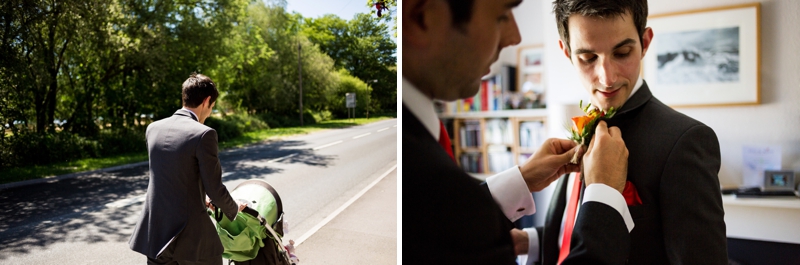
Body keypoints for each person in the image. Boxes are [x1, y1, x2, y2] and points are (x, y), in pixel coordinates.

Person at [403, 0, 634, 263]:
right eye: (502, 15)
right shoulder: (420, 175)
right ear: (423, 18)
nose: (515, 37)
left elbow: (443, 219)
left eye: (623, 52)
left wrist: (521, 182)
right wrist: (604, 194)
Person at [514, 0, 727, 264]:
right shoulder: (580, 129)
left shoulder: (685, 141)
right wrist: (530, 241)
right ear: (566, 52)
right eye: (588, 58)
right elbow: (578, 230)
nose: (607, 77)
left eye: (622, 52)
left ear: (645, 43)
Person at [129, 73, 247, 265]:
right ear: (207, 101)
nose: (209, 113)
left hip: (155, 233)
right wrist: (234, 208)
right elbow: (215, 189)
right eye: (212, 107)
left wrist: (202, 198)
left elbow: (174, 176)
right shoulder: (204, 134)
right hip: (192, 240)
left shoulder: (153, 128)